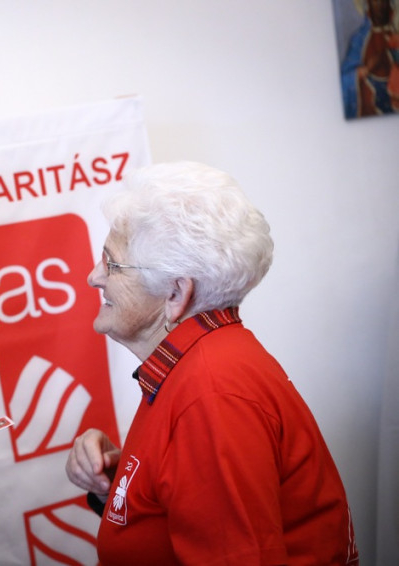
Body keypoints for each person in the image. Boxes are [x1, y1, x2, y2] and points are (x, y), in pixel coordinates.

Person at [65, 162, 359, 565]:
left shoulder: (211, 394)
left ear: (176, 293)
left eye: (111, 263)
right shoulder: (204, 365)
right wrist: (125, 484)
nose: (94, 277)